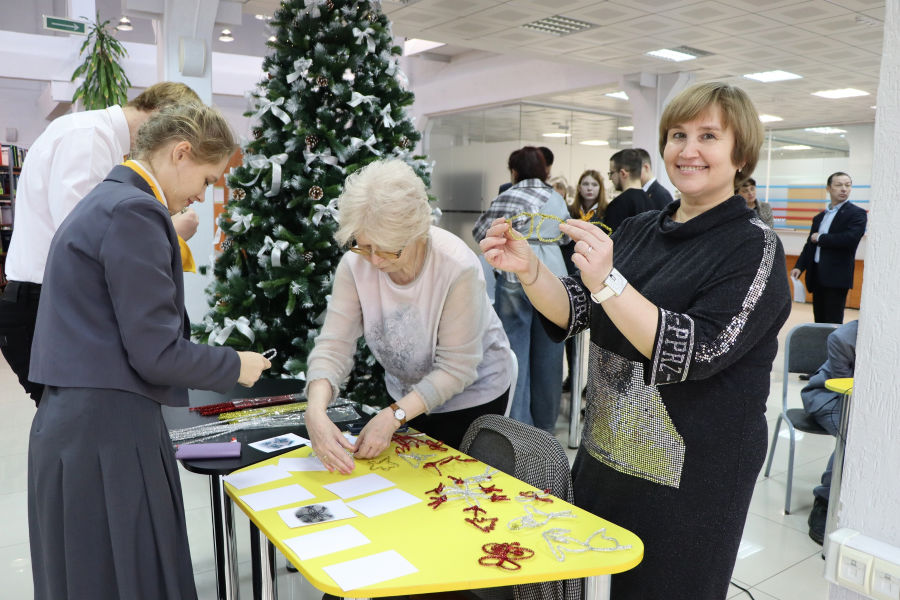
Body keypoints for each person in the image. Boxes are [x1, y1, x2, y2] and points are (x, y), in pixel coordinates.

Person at [479, 82, 791, 599]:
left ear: (741, 154)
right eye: (677, 135)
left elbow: (693, 352)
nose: (688, 150)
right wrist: (530, 270)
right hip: (604, 456)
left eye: (708, 136)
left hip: (693, 476)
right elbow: (578, 309)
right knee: (596, 581)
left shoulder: (753, 248)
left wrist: (608, 282)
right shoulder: (641, 228)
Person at [27, 103, 272, 600]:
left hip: (77, 425)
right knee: (128, 575)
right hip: (109, 431)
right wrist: (237, 365)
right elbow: (156, 353)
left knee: (87, 576)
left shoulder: (108, 199)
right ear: (181, 152)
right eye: (206, 179)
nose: (200, 196)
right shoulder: (136, 211)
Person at [0, 81, 203, 405]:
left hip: (48, 302)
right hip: (43, 305)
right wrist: (169, 231)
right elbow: (88, 242)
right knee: (79, 426)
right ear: (162, 115)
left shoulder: (96, 136)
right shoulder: (90, 137)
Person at [305, 159, 512, 474]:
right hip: (404, 398)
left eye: (388, 250)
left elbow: (456, 369)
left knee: (457, 497)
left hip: (472, 401)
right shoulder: (354, 265)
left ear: (417, 232)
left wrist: (394, 416)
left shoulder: (457, 267)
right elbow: (334, 345)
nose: (374, 260)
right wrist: (316, 410)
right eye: (365, 246)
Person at [473, 146, 568, 433]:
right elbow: (564, 237)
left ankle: (518, 428)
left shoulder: (508, 196)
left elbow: (481, 232)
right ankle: (545, 427)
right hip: (554, 278)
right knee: (551, 355)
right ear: (543, 170)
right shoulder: (556, 197)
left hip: (515, 276)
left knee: (516, 353)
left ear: (514, 171)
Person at [800, 319, 858, 545]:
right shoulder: (845, 338)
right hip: (827, 397)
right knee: (854, 438)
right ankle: (825, 500)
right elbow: (846, 391)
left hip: (857, 404)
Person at [791, 172, 867, 324]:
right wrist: (800, 266)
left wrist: (820, 238)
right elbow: (810, 245)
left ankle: (830, 348)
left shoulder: (857, 214)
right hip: (817, 274)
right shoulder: (820, 217)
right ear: (828, 188)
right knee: (819, 319)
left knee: (832, 321)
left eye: (848, 185)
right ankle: (820, 348)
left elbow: (849, 239)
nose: (844, 189)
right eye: (839, 185)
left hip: (837, 276)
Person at [603, 148, 657, 231]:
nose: (610, 178)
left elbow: (609, 240)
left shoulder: (617, 205)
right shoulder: (651, 202)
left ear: (623, 173)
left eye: (612, 173)